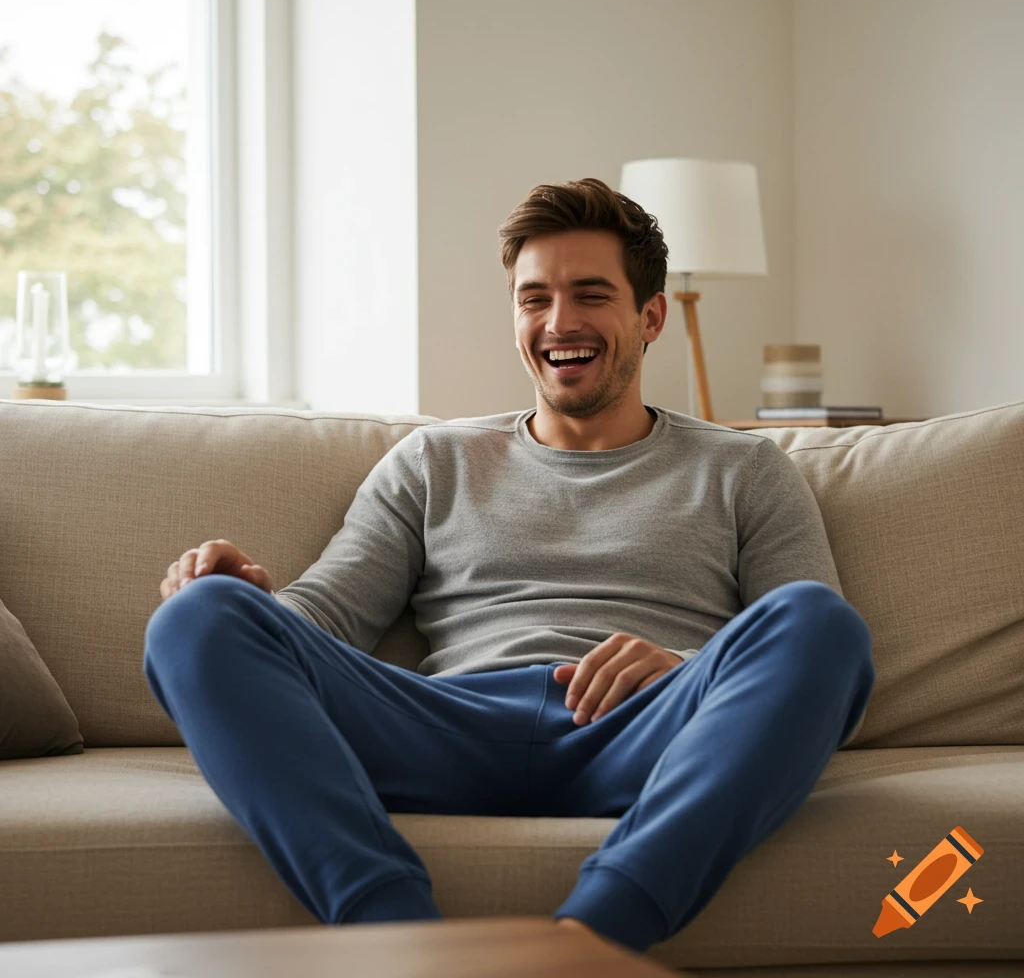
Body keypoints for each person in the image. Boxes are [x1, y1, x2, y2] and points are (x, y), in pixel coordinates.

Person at [143, 178, 875, 956]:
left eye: (592, 295)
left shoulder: (745, 468)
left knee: (820, 622)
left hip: (644, 729)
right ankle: (402, 945)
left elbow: (818, 668)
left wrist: (686, 667)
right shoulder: (432, 461)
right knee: (193, 618)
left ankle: (588, 946)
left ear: (650, 316)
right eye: (534, 299)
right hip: (447, 728)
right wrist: (246, 600)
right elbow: (327, 616)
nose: (560, 323)